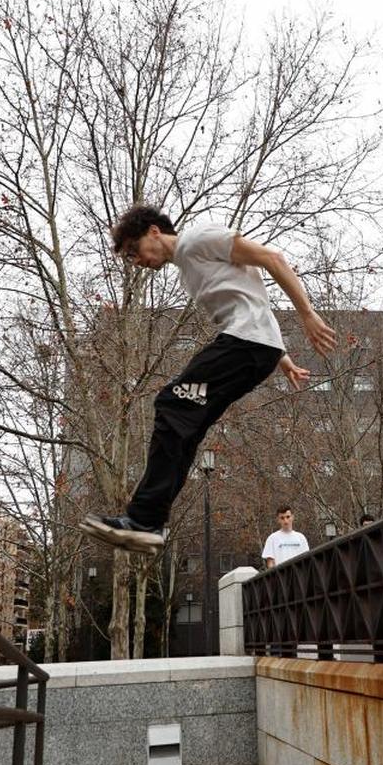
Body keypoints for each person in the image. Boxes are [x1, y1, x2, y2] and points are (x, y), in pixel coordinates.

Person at [81, 204, 337, 553]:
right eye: (129, 258)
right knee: (186, 425)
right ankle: (148, 521)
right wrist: (282, 358)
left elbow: (272, 259)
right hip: (254, 350)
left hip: (246, 345)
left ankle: (145, 520)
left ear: (154, 231)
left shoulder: (197, 240)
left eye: (134, 250)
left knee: (172, 403)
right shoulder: (188, 268)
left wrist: (307, 314)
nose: (136, 261)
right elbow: (251, 300)